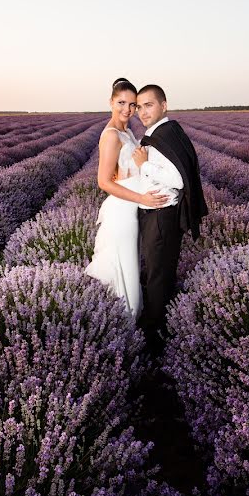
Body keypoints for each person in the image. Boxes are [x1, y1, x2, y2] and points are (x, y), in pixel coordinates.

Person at [84, 78, 170, 320]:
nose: (127, 110)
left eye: (133, 105)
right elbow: (104, 182)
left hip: (132, 209)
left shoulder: (128, 132)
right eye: (121, 103)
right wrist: (141, 196)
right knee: (122, 267)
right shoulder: (111, 135)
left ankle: (123, 324)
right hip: (122, 211)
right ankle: (120, 324)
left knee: (129, 265)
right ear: (110, 102)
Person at [133, 84, 208, 357]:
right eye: (139, 107)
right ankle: (159, 328)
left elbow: (177, 180)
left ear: (163, 106)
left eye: (149, 105)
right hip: (158, 215)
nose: (142, 111)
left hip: (161, 218)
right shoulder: (165, 133)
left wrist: (144, 165)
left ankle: (154, 338)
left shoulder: (162, 135)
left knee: (157, 278)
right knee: (158, 273)